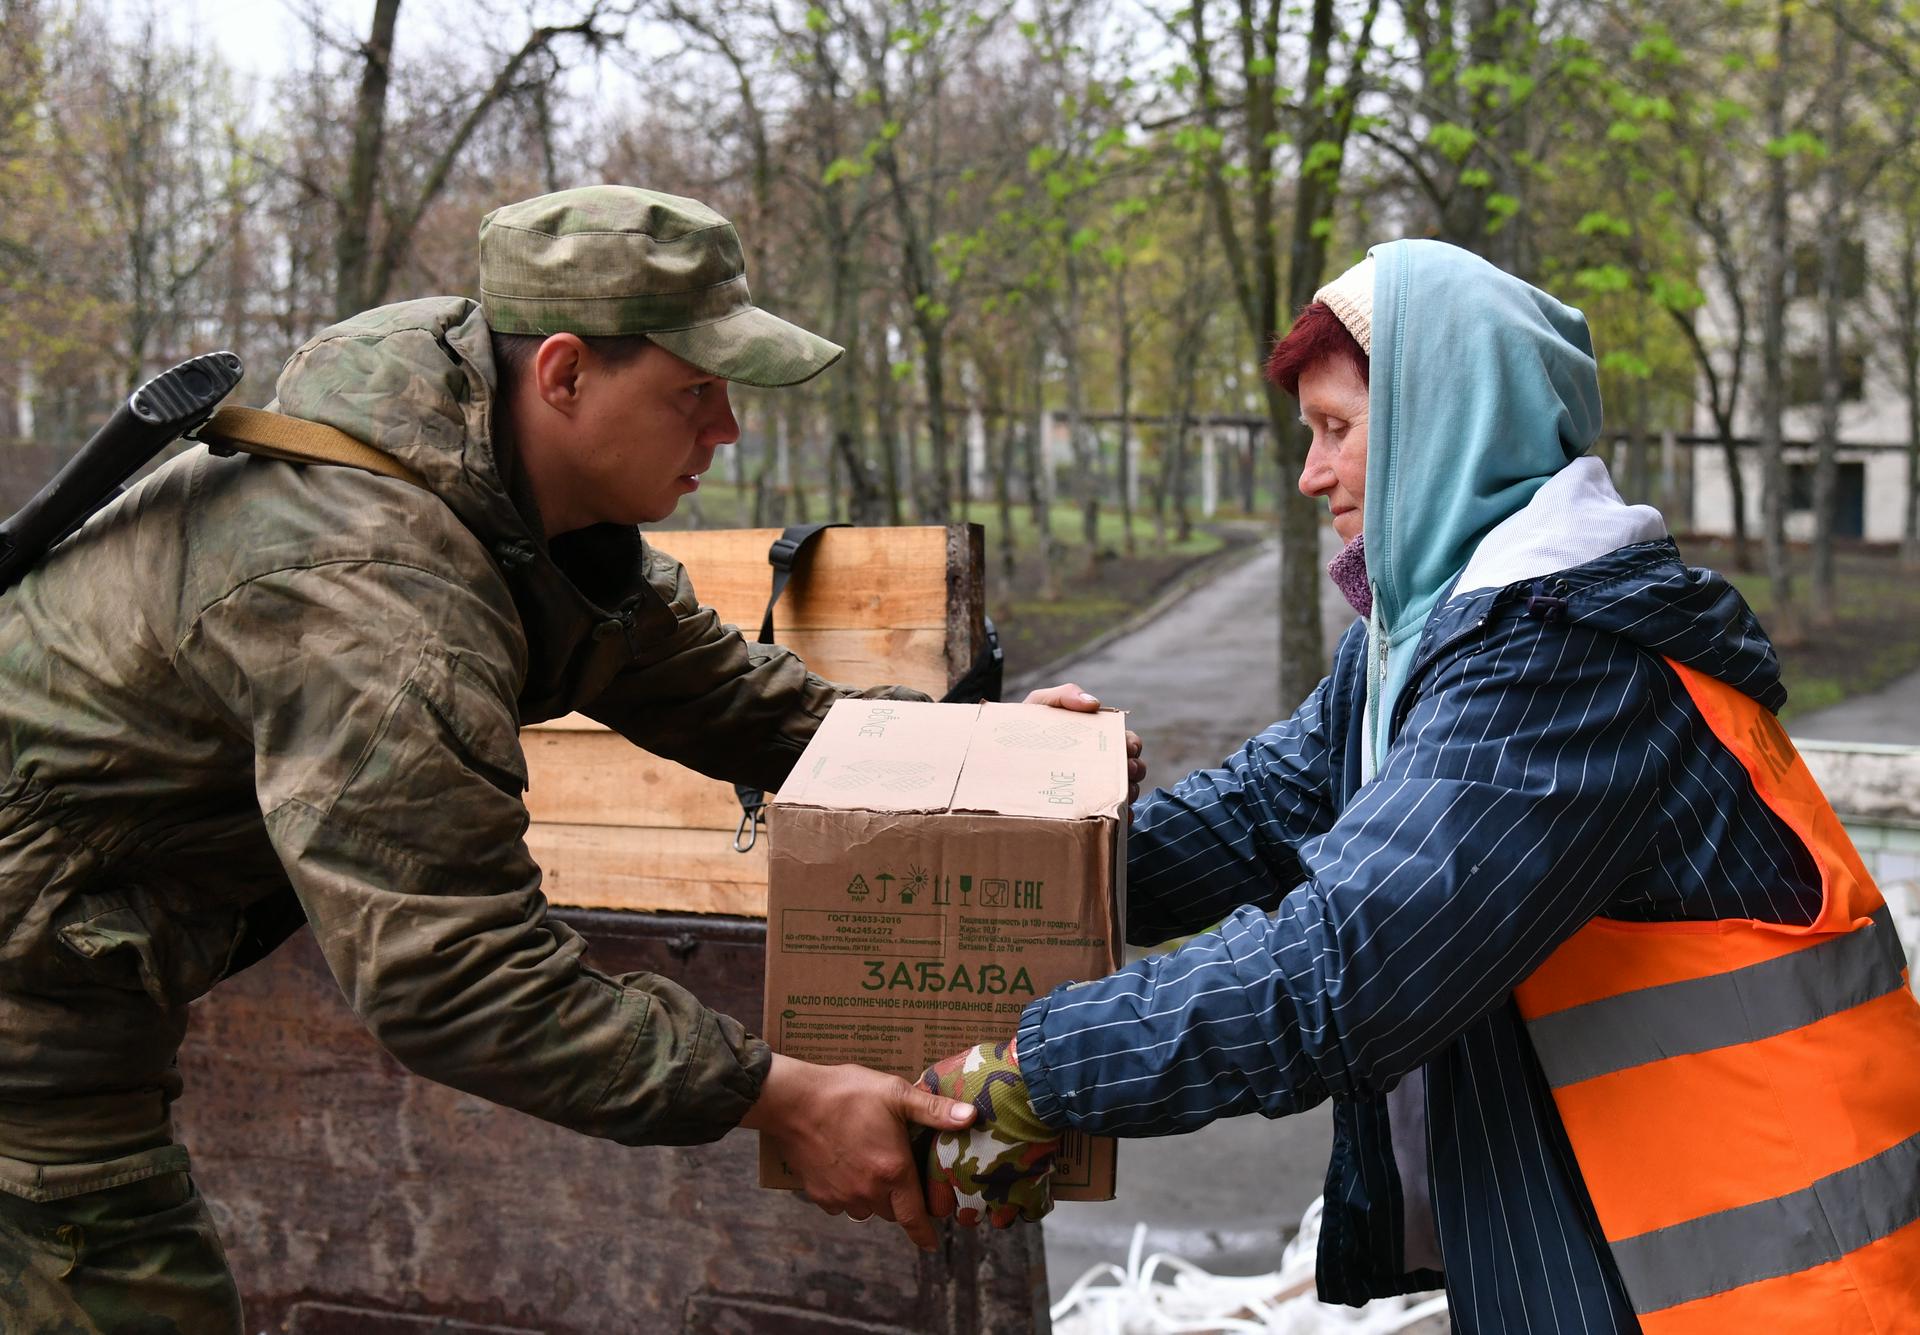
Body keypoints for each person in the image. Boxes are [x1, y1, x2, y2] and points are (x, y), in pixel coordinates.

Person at [0, 184, 1099, 1332]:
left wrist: (985, 745)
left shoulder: (508, 511)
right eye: (694, 393)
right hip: (36, 1008)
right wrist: (781, 1097)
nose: (727, 431)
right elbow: (455, 977)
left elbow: (742, 702)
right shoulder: (377, 600)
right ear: (564, 374)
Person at [918, 240, 1920, 1333]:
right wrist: (1032, 841)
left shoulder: (1568, 659)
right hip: (1624, 1254)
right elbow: (1265, 815)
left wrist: (1031, 1077)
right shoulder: (1425, 645)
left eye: (1337, 430)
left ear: (1447, 427)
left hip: (1765, 1286)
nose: (1311, 474)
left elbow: (1348, 966)